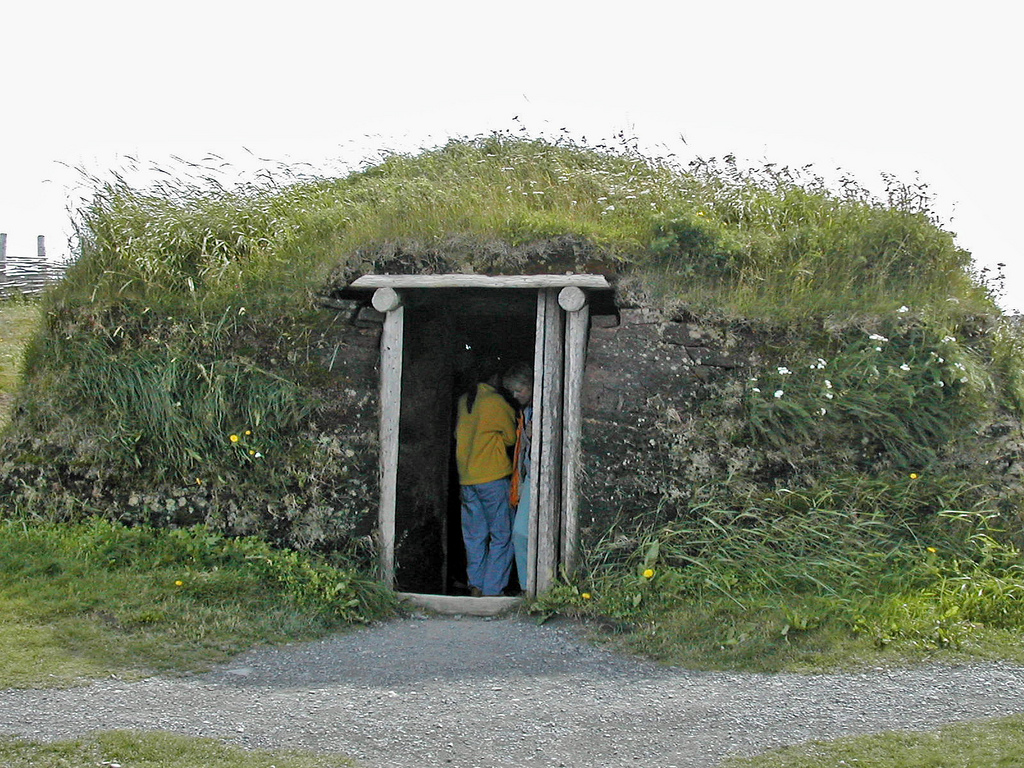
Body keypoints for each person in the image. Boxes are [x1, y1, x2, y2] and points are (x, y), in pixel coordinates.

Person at [454, 357, 517, 597]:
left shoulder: (463, 401)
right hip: (492, 477)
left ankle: (476, 586)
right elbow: (511, 438)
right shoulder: (495, 402)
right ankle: (492, 590)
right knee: (502, 535)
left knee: (474, 537)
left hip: (467, 479)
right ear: (496, 378)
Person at [503, 363, 534, 593]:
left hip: (538, 474)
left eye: (519, 390)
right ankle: (527, 586)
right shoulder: (526, 412)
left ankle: (528, 587)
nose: (515, 395)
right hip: (528, 473)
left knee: (520, 532)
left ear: (531, 386)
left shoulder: (538, 409)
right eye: (512, 392)